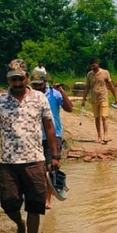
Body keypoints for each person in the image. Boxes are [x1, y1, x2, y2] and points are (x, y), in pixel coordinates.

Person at [0, 59, 60, 233]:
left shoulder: (40, 98)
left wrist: (55, 156)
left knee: (35, 206)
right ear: (9, 80)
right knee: (8, 203)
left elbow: (49, 127)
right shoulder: (0, 100)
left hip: (35, 162)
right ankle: (19, 225)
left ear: (26, 78)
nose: (17, 82)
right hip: (8, 163)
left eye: (20, 78)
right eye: (13, 79)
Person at [30, 69, 73, 209]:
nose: (37, 87)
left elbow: (69, 108)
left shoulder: (54, 94)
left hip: (54, 136)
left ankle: (47, 199)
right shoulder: (30, 96)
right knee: (38, 169)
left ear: (45, 82)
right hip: (35, 136)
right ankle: (45, 192)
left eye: (39, 84)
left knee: (51, 167)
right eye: (34, 85)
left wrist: (61, 91)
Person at [81, 58, 117, 143]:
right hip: (94, 99)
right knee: (97, 118)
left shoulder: (105, 73)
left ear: (98, 63)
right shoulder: (89, 74)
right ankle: (99, 136)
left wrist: (116, 98)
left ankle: (106, 135)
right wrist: (83, 99)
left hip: (103, 98)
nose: (92, 66)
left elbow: (111, 85)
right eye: (91, 65)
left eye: (94, 64)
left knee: (104, 117)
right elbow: (87, 87)